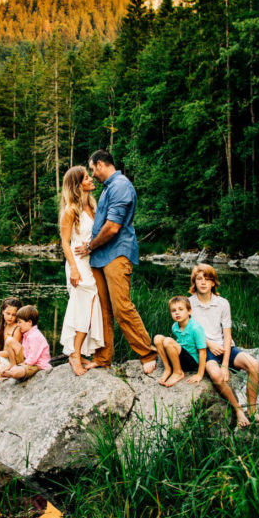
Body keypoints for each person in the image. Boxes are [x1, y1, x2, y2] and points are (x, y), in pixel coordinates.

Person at [74, 150, 156, 373]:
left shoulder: (120, 185)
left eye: (92, 169)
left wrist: (90, 246)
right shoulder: (108, 188)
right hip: (101, 257)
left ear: (100, 164)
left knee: (121, 307)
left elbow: (112, 227)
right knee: (103, 310)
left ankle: (147, 353)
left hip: (116, 254)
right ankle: (103, 358)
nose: (93, 174)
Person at [189, 264, 259, 428]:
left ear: (213, 283)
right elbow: (188, 332)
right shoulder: (189, 304)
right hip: (204, 349)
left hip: (225, 347)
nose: (203, 282)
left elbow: (227, 335)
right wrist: (209, 344)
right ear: (194, 282)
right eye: (199, 279)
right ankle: (238, 410)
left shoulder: (223, 303)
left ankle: (252, 411)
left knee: (254, 364)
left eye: (208, 279)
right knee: (216, 376)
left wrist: (225, 365)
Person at [59, 165, 105, 375]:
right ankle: (75, 354)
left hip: (92, 262)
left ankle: (79, 351)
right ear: (77, 185)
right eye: (86, 178)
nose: (91, 179)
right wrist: (74, 271)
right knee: (83, 307)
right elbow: (65, 243)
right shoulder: (71, 210)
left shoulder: (93, 207)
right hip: (78, 265)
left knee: (91, 306)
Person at [154, 295, 207, 387]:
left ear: (189, 311)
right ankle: (168, 369)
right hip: (179, 357)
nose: (177, 313)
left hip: (191, 360)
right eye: (174, 311)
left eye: (181, 309)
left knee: (168, 341)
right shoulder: (175, 326)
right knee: (157, 338)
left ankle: (178, 372)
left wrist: (199, 374)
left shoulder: (196, 328)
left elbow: (203, 352)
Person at [1, 304, 52, 379]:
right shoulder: (27, 334)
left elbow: (32, 359)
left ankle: (13, 371)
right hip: (26, 360)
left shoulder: (35, 336)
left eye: (19, 322)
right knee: (9, 340)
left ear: (29, 322)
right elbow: (25, 352)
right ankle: (13, 365)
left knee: (15, 372)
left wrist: (20, 365)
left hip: (36, 365)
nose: (17, 325)